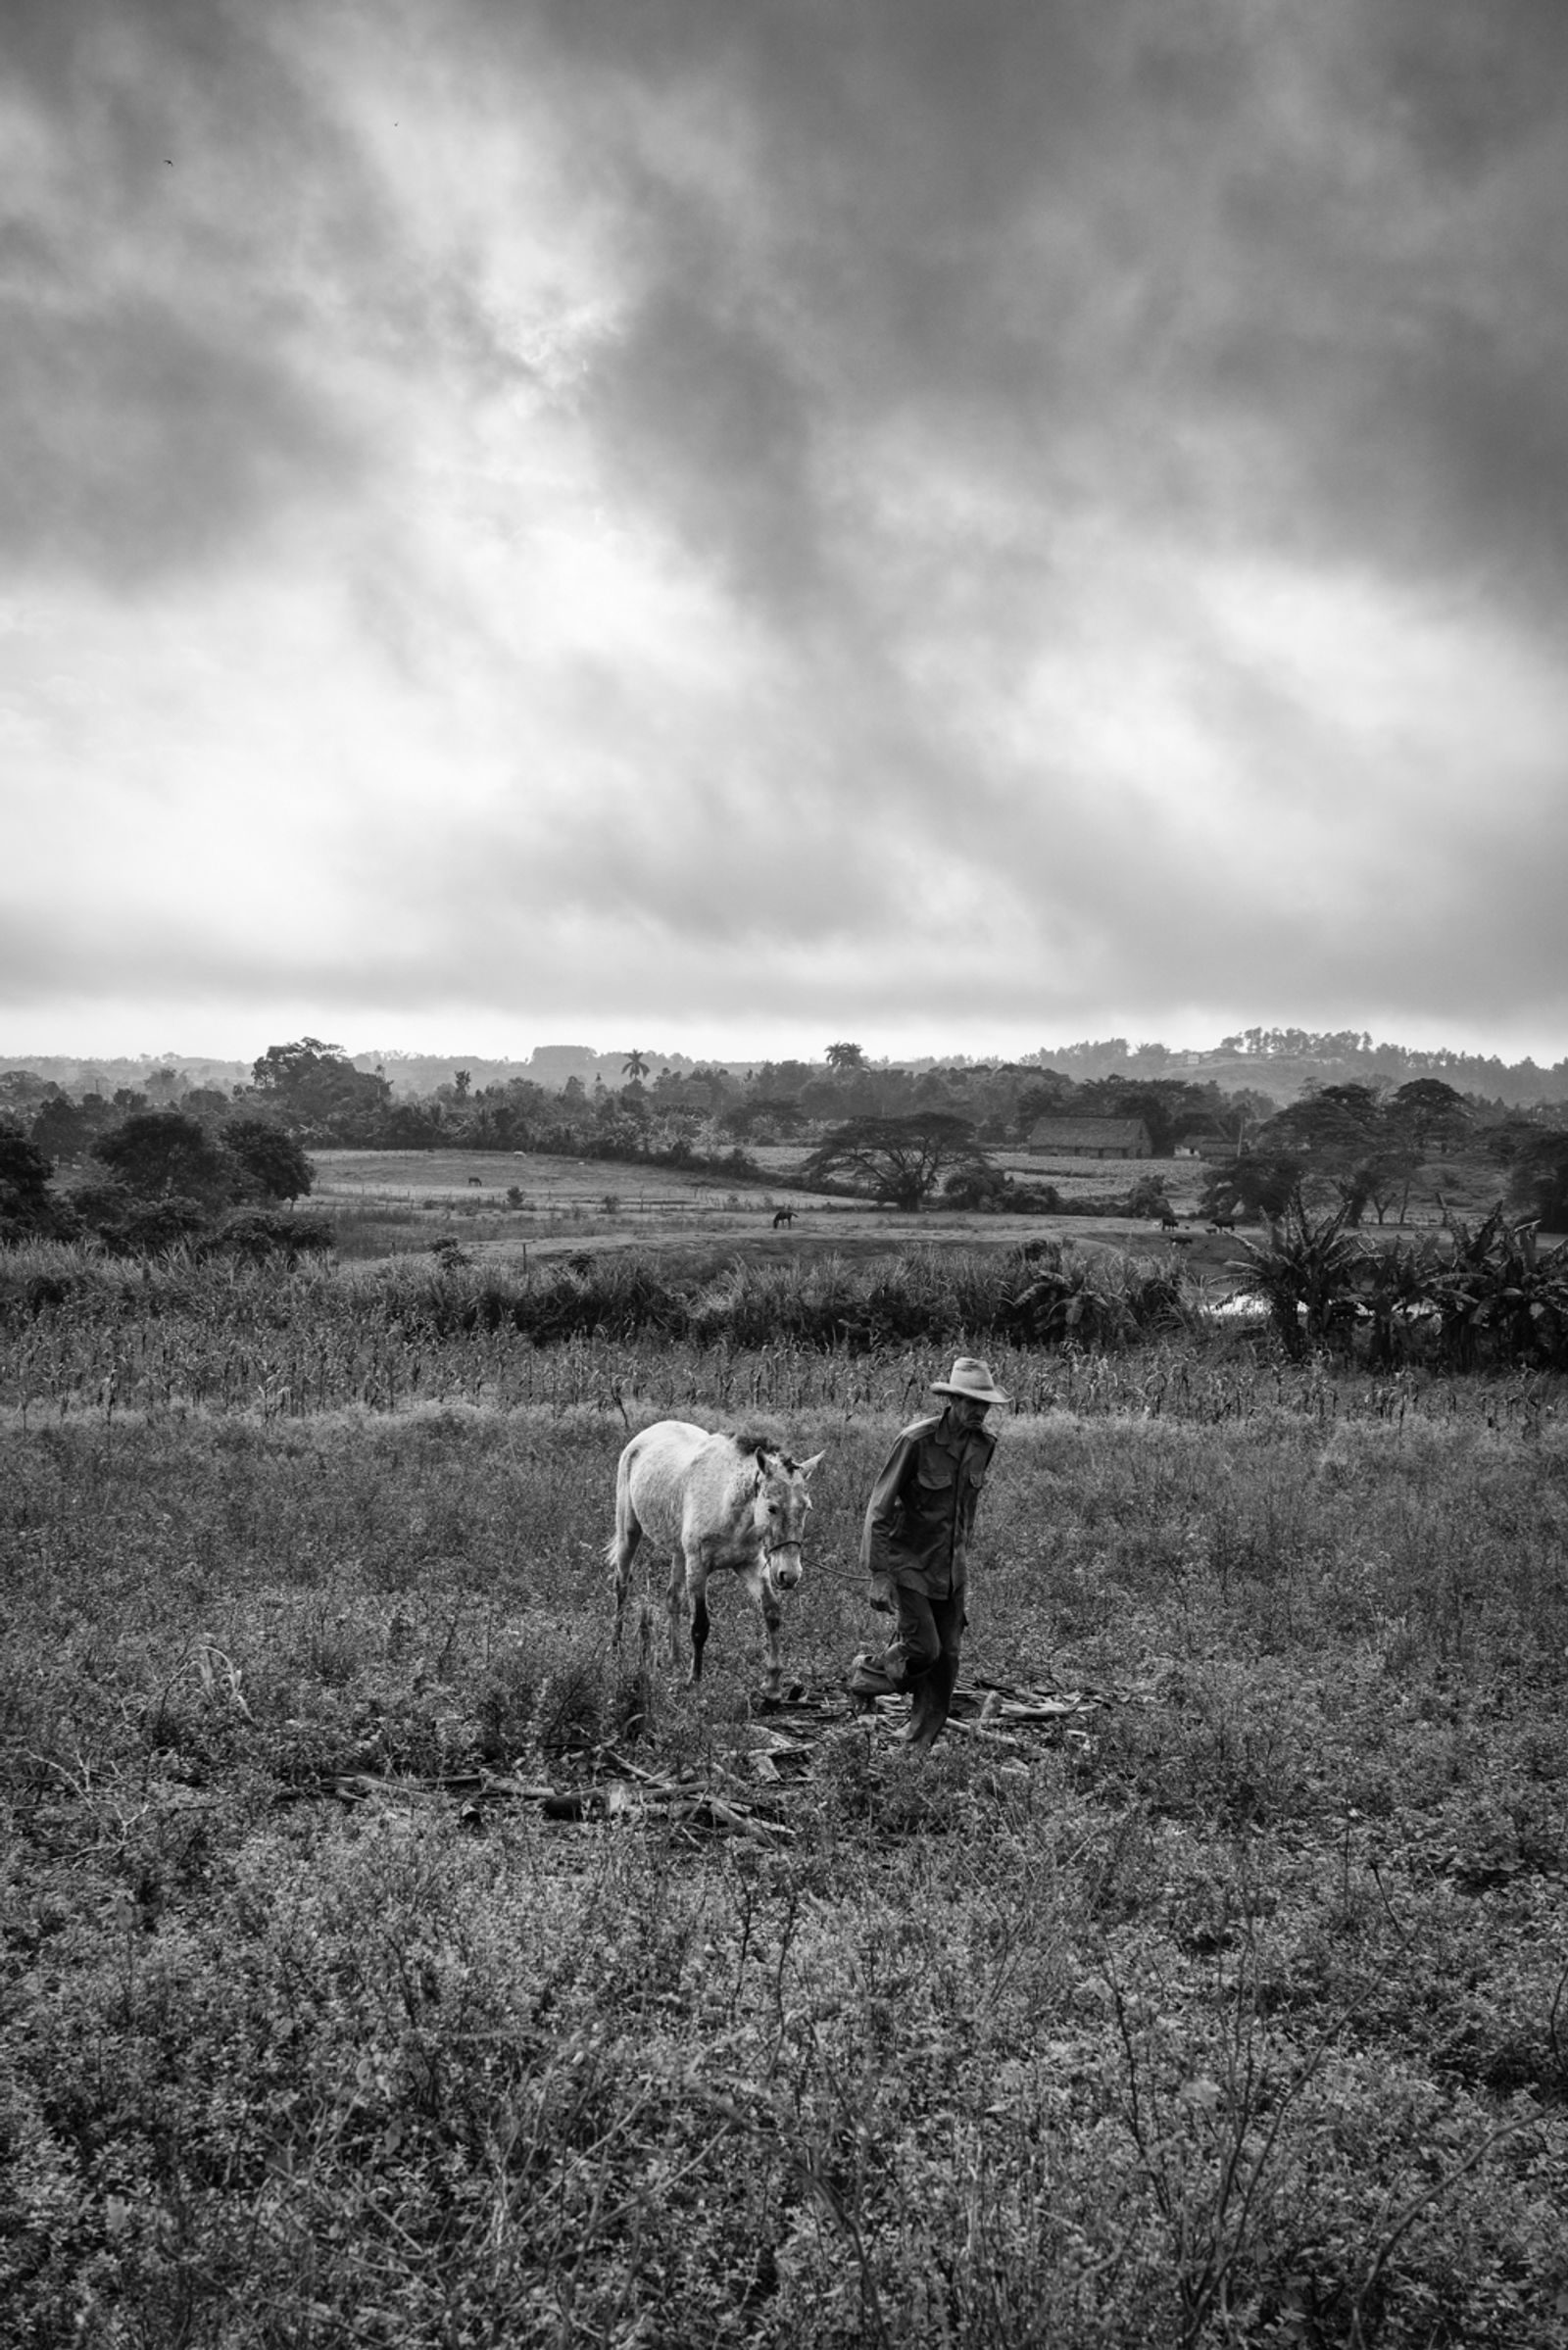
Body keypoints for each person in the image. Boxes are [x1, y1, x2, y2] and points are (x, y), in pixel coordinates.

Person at [847, 1355, 1009, 1750]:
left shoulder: (984, 1445)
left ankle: (917, 1746)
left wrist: (962, 1559)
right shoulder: (915, 1441)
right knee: (924, 1650)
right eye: (972, 1403)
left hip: (952, 1570)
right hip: (909, 1565)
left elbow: (965, 1511)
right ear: (952, 1400)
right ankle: (865, 1675)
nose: (979, 1412)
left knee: (947, 1660)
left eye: (984, 1404)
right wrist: (880, 1574)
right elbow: (879, 1509)